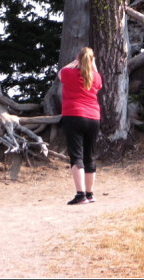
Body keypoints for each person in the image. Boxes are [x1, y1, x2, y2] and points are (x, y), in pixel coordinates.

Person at [58, 46, 102, 205]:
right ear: (92, 61)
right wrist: (92, 64)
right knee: (89, 156)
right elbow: (97, 78)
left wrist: (74, 62)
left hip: (74, 116)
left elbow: (60, 72)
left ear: (78, 59)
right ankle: (90, 194)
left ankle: (80, 194)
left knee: (76, 156)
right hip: (93, 118)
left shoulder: (68, 73)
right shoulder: (96, 78)